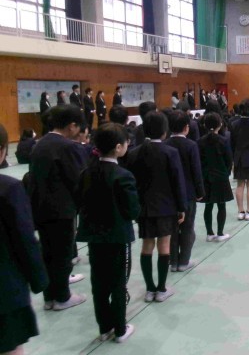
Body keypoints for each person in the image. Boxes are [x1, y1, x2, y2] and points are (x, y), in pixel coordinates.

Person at [75, 123, 139, 343]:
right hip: (117, 236)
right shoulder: (123, 175)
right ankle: (120, 329)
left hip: (94, 236)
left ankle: (104, 327)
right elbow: (132, 209)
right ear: (119, 147)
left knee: (99, 282)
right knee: (118, 282)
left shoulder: (86, 173)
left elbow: (79, 201)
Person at [28, 104, 87, 311]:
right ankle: (62, 297)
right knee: (62, 254)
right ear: (72, 126)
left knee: (48, 253)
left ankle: (50, 297)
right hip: (62, 209)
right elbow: (78, 179)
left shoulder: (40, 144)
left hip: (40, 208)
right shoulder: (67, 147)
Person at [126, 112, 186, 303]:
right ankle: (161, 288)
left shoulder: (134, 153)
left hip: (143, 207)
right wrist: (182, 207)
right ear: (164, 131)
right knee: (164, 245)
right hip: (166, 206)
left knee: (147, 245)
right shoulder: (170, 152)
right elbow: (177, 182)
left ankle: (149, 288)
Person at [0, 122, 49, 355]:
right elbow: (24, 239)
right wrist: (39, 280)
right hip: (5, 289)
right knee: (11, 347)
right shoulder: (8, 189)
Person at [164, 111, 205, 272]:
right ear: (186, 128)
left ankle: (173, 261)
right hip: (188, 192)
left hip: (169, 193)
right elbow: (196, 170)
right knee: (188, 227)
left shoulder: (165, 145)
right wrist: (200, 191)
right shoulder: (191, 145)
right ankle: (184, 261)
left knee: (172, 228)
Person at [198, 113, 233, 242]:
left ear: (204, 125)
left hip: (206, 177)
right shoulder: (224, 141)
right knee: (221, 206)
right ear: (220, 125)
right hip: (221, 176)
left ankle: (209, 233)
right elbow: (229, 160)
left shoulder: (200, 141)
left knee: (208, 206)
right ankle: (220, 233)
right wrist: (226, 173)